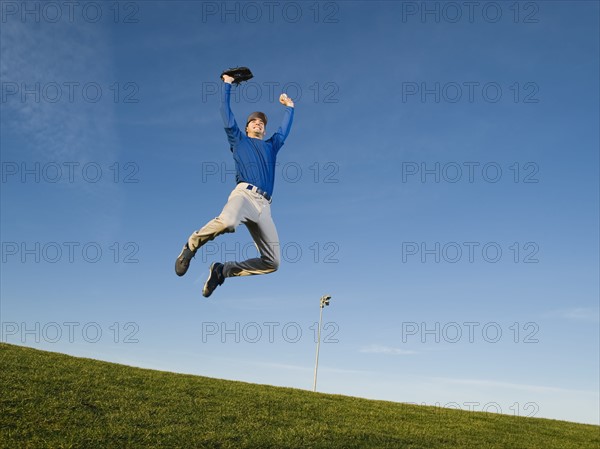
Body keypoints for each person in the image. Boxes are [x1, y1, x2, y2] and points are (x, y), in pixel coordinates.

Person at [175, 73, 295, 298]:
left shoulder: (271, 146)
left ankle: (222, 271)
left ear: (264, 130)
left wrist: (290, 107)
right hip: (244, 196)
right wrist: (228, 83)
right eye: (254, 121)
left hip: (265, 206)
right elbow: (225, 113)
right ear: (247, 128)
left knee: (273, 262)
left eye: (261, 123)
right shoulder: (238, 139)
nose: (258, 123)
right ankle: (191, 246)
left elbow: (284, 131)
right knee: (229, 222)